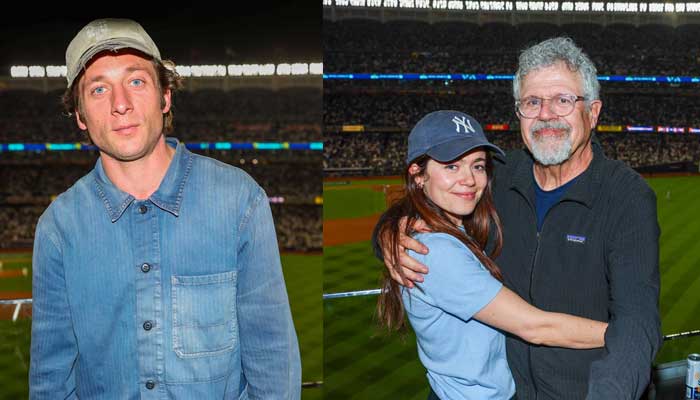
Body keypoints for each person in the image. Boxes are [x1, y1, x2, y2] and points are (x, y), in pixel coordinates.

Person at [376, 37, 661, 399]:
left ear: (593, 112)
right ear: (519, 114)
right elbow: (427, 203)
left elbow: (637, 321)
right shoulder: (498, 178)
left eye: (563, 100)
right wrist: (388, 233)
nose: (545, 114)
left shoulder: (626, 197)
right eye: (532, 102)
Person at [30, 18, 301, 399]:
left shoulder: (240, 200)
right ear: (79, 115)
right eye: (98, 89)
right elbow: (50, 377)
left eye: (136, 81)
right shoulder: (58, 228)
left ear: (165, 96)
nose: (120, 104)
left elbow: (274, 364)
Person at [377, 110, 608, 400]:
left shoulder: (458, 226)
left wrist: (388, 228)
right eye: (451, 167)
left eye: (478, 166)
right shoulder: (435, 251)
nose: (469, 180)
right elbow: (536, 327)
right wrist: (621, 333)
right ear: (418, 174)